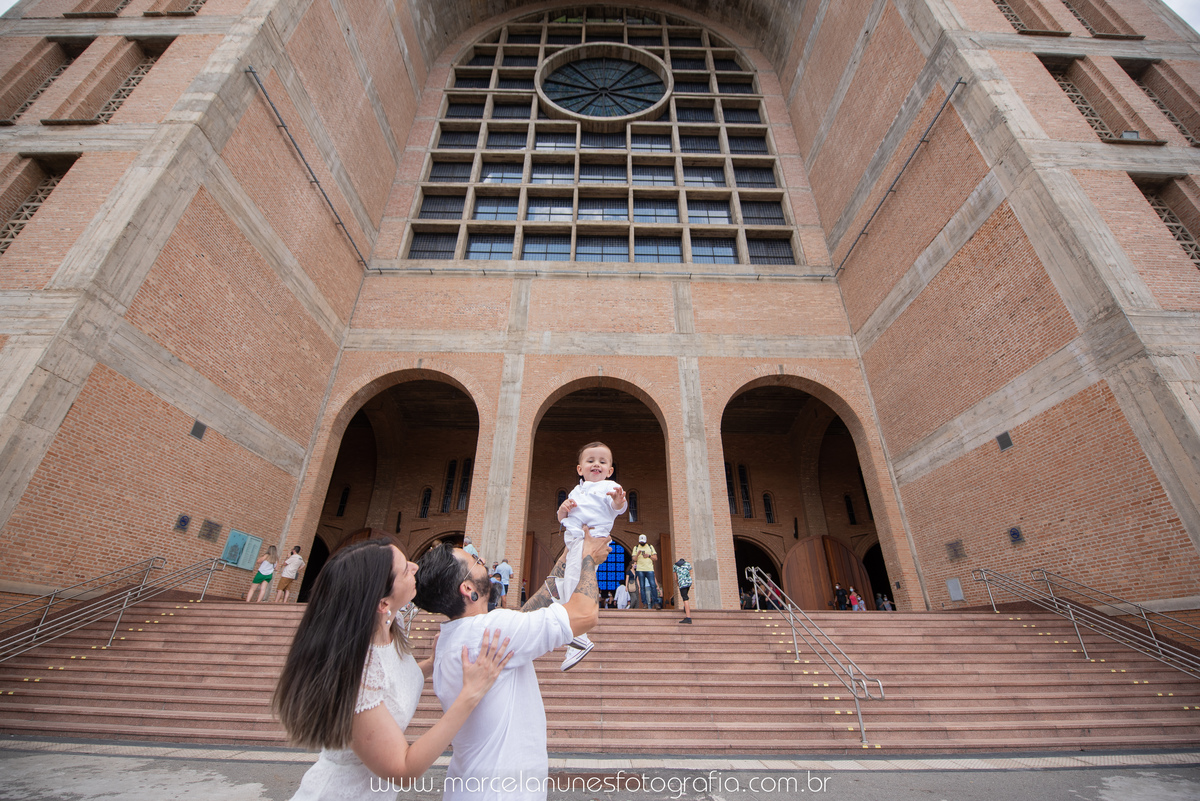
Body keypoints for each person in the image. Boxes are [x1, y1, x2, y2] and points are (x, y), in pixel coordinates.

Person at [273, 538, 513, 801]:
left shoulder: (388, 627)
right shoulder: (357, 675)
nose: (415, 567)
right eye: (404, 569)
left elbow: (391, 683)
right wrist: (469, 695)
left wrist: (430, 663)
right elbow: (402, 769)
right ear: (383, 604)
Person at [413, 526, 610, 801]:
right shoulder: (490, 630)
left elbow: (526, 617)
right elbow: (585, 615)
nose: (483, 561)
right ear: (468, 589)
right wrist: (589, 559)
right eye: (475, 561)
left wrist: (567, 558)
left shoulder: (452, 638)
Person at [555, 441, 627, 669]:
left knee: (574, 581)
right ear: (580, 469)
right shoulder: (576, 490)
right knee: (564, 586)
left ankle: (580, 637)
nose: (596, 464)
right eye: (590, 460)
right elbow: (564, 518)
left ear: (610, 470)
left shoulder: (609, 486)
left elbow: (617, 507)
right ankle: (573, 636)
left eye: (602, 462)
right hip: (574, 540)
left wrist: (618, 501)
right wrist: (562, 510)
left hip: (591, 539)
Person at [630, 534, 658, 610]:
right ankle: (644, 603)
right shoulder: (636, 547)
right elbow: (634, 559)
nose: (642, 543)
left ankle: (655, 602)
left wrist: (648, 556)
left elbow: (655, 558)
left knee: (653, 586)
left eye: (643, 541)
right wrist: (638, 554)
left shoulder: (650, 547)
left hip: (649, 569)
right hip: (640, 569)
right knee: (642, 587)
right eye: (641, 541)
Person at [672, 557, 693, 624]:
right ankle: (686, 608)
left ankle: (688, 617)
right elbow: (689, 573)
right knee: (686, 595)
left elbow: (675, 578)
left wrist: (677, 583)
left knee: (685, 598)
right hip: (688, 582)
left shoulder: (675, 565)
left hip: (682, 583)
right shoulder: (688, 564)